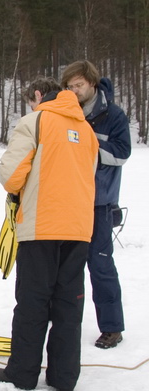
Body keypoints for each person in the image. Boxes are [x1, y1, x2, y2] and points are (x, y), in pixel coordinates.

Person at [0, 78, 99, 391]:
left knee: (32, 303)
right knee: (69, 304)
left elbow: (11, 177)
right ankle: (64, 378)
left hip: (41, 227)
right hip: (79, 229)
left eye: (31, 101)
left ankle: (22, 374)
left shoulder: (35, 121)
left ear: (38, 96)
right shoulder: (87, 131)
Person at [61, 61, 131, 349]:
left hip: (99, 203)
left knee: (100, 265)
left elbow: (123, 153)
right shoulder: (66, 112)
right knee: (63, 266)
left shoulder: (112, 115)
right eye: (69, 86)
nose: (74, 91)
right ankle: (60, 318)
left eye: (78, 85)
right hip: (67, 201)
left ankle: (112, 327)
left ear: (92, 83)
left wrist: (89, 149)